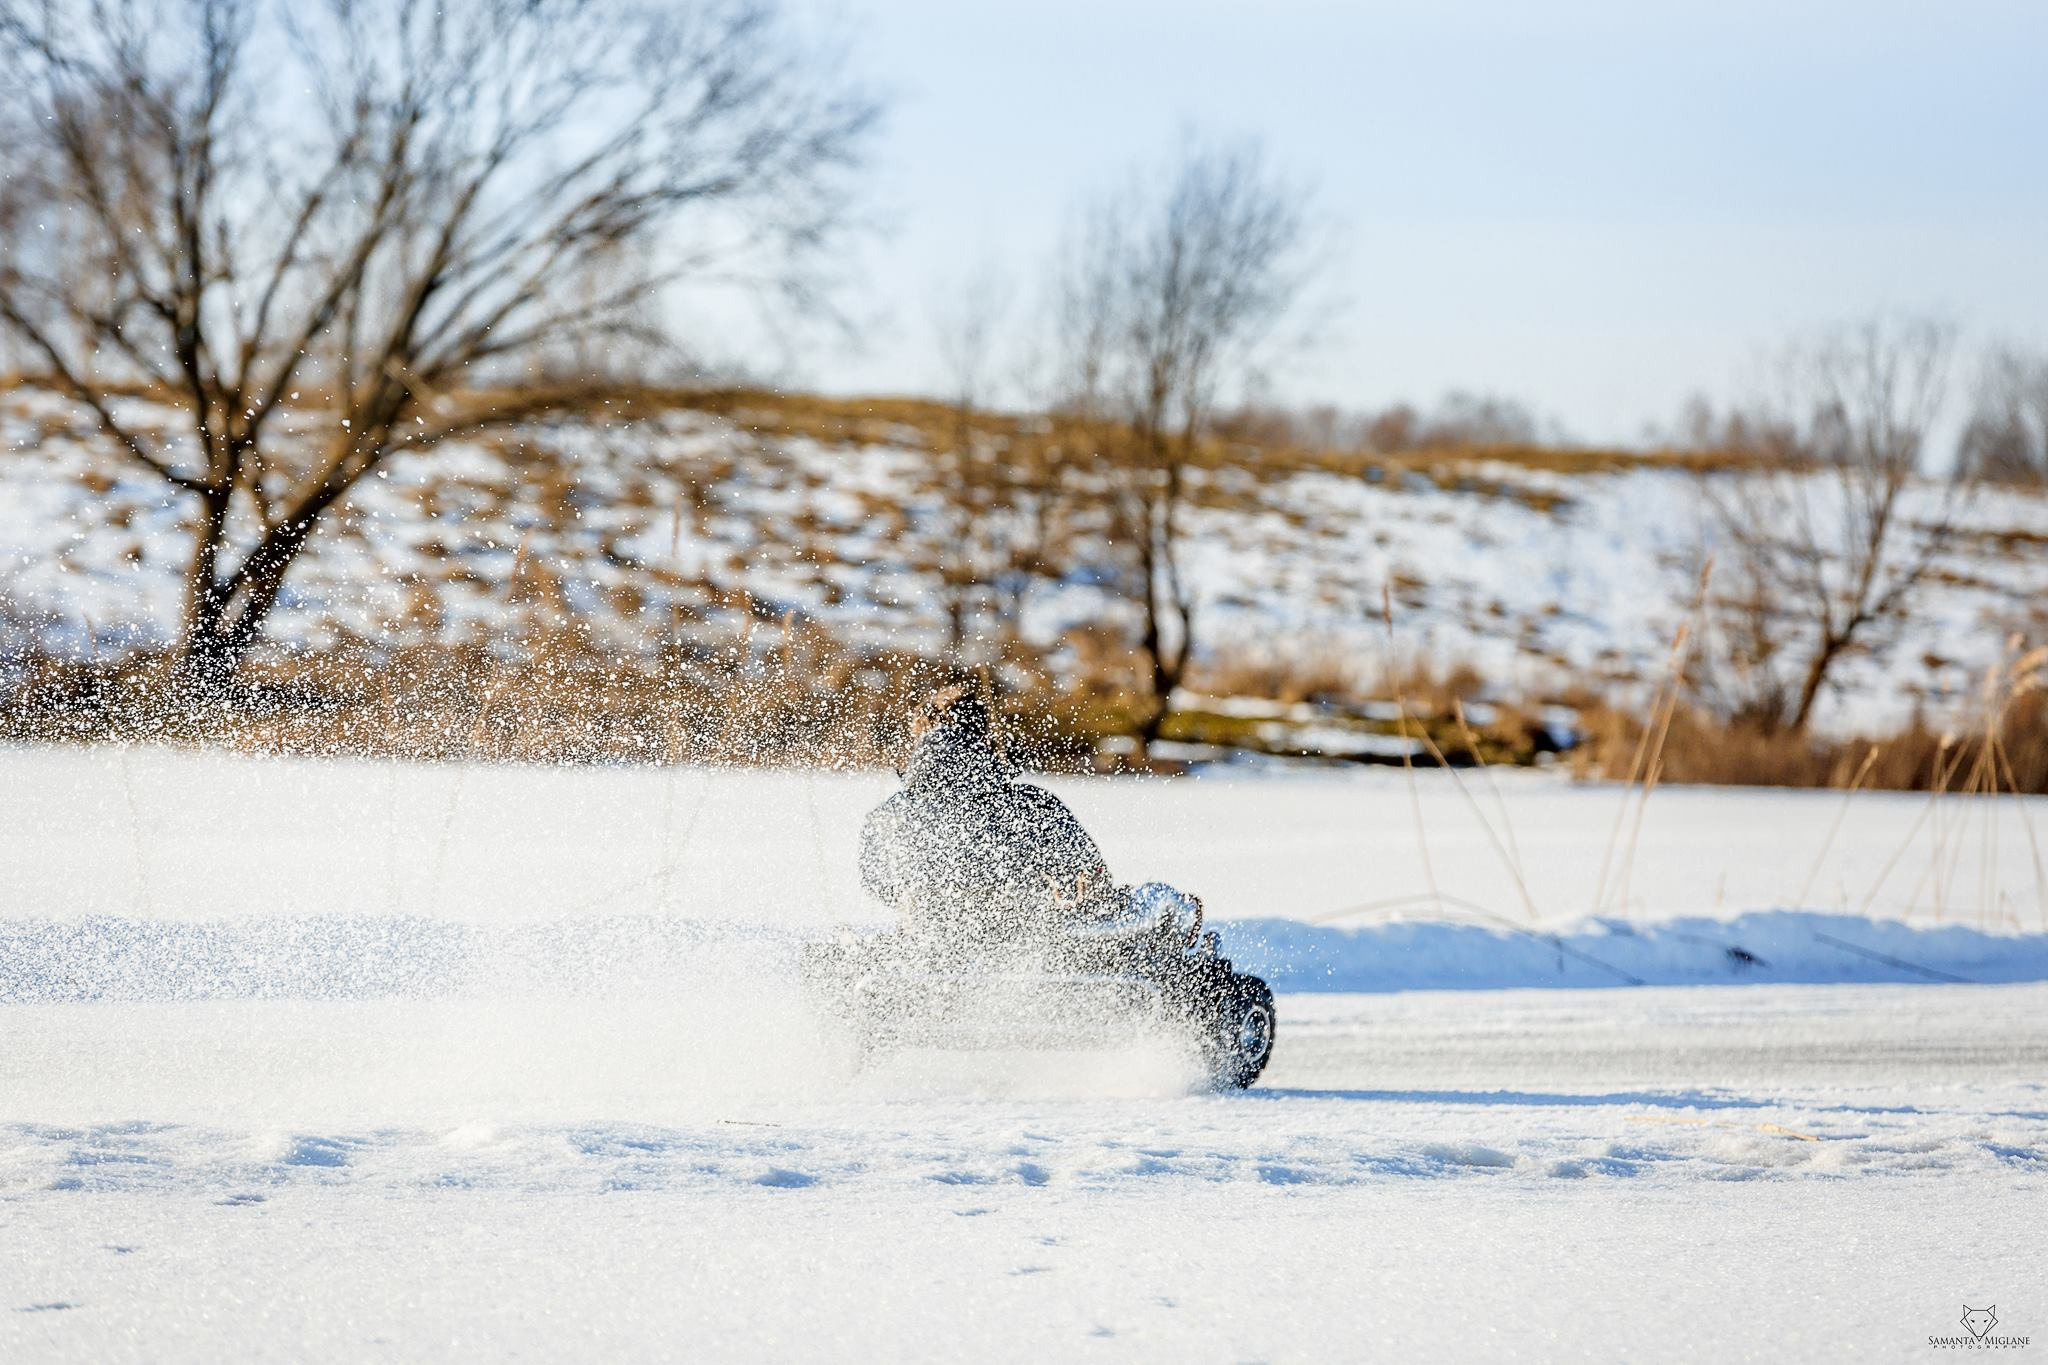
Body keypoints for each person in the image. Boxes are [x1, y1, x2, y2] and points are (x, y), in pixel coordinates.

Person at [859, 686, 1116, 941]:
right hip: (1025, 958)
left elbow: (879, 885)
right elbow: (1090, 872)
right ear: (984, 738)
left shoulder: (890, 814)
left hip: (926, 955)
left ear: (921, 742)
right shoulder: (1032, 804)